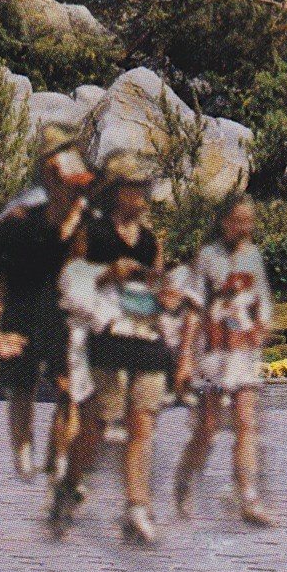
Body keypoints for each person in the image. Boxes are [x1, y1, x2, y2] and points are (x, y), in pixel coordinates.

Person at [51, 153, 171, 543]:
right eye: (137, 188)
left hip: (144, 337)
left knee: (142, 423)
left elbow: (157, 289)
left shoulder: (150, 241)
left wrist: (165, 298)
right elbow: (68, 282)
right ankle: (70, 486)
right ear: (119, 192)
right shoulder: (93, 234)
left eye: (146, 188)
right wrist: (106, 274)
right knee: (97, 426)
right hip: (106, 338)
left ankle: (137, 508)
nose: (144, 196)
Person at [0, 127, 93, 477]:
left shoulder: (88, 220)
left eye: (79, 185)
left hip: (63, 312)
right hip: (22, 305)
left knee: (68, 387)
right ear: (48, 176)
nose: (75, 191)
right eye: (68, 184)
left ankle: (58, 460)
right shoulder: (20, 216)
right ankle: (24, 454)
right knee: (21, 387)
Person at [172, 193, 275, 526]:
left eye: (248, 221)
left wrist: (262, 328)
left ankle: (248, 497)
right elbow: (193, 308)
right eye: (237, 221)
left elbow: (262, 303)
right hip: (213, 356)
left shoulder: (254, 257)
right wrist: (185, 357)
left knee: (246, 423)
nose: (243, 227)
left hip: (243, 353)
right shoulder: (207, 257)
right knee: (208, 426)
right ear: (224, 221)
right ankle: (185, 477)